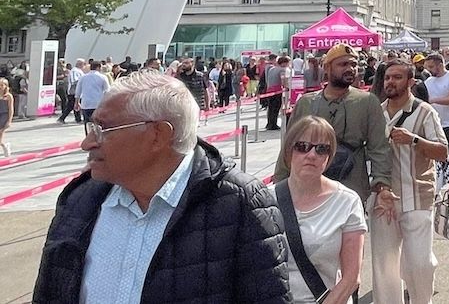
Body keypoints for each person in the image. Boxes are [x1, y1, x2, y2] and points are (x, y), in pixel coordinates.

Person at [33, 72, 291, 303]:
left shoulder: (240, 204)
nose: (87, 143)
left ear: (158, 134)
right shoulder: (80, 199)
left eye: (104, 129)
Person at [276, 43, 396, 205]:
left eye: (353, 64)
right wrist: (281, 182)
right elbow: (289, 147)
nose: (350, 69)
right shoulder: (307, 103)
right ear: (327, 68)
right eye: (343, 64)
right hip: (309, 183)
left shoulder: (368, 102)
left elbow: (379, 147)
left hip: (351, 183)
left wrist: (382, 186)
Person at [372, 60, 447, 304]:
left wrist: (414, 140)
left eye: (397, 77)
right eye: (387, 78)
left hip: (418, 194)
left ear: (410, 82)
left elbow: (443, 151)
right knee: (384, 268)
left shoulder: (425, 111)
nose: (390, 82)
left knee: (419, 264)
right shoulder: (376, 112)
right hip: (384, 199)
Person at [274, 116, 366, 304]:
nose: (312, 155)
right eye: (302, 146)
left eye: (321, 149)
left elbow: (351, 279)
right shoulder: (265, 200)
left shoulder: (347, 202)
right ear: (289, 150)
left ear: (329, 156)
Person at [423, 53, 449, 182]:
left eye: (431, 66)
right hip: (432, 122)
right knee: (433, 155)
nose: (428, 70)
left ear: (440, 65)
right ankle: (439, 182)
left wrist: (434, 100)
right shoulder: (428, 81)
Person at [77, 60, 111, 125]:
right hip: (98, 104)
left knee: (87, 124)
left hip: (86, 104)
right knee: (98, 123)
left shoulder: (83, 77)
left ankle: (88, 134)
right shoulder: (103, 77)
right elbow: (107, 91)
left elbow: (78, 91)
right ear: (98, 67)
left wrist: (77, 102)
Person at [0, 80, 11, 157]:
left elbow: (11, 109)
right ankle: (4, 146)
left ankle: (4, 146)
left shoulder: (8, 96)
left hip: (4, 115)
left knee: (0, 132)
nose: (0, 87)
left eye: (2, 85)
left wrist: (9, 121)